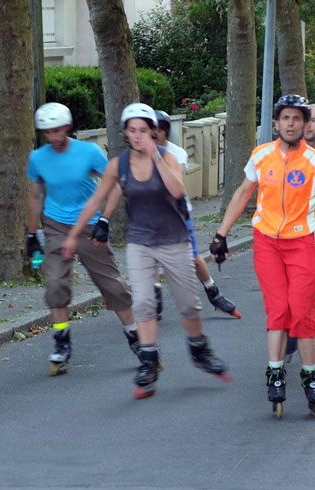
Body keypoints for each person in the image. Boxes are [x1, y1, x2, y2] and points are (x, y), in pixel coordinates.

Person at [62, 103, 231, 399]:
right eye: (133, 131)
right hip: (140, 243)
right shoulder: (119, 165)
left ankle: (199, 350)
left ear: (154, 132)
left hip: (174, 240)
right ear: (125, 133)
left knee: (189, 305)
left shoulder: (169, 157)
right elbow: (95, 201)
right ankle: (149, 362)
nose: (138, 136)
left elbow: (177, 190)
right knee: (142, 303)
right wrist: (74, 235)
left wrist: (156, 155)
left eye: (144, 130)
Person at [210, 94, 315, 420]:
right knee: (279, 309)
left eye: (297, 118)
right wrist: (221, 234)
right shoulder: (260, 157)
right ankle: (275, 371)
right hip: (267, 243)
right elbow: (244, 193)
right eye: (285, 118)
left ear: (306, 124)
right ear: (275, 123)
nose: (290, 123)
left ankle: (310, 376)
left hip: (301, 244)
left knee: (302, 312)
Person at [26, 102, 136, 376]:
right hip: (55, 227)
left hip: (88, 226)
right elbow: (35, 195)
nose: (52, 136)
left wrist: (104, 221)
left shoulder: (89, 152)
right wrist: (31, 234)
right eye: (47, 132)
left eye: (56, 130)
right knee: (55, 284)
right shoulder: (38, 158)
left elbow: (114, 184)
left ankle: (137, 338)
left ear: (67, 127)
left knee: (112, 285)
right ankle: (62, 343)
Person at [153, 110, 240, 318]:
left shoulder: (177, 153)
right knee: (149, 256)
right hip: (152, 215)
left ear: (164, 132)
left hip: (178, 214)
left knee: (193, 258)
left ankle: (213, 291)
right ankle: (154, 296)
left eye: (156, 130)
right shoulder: (141, 153)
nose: (151, 134)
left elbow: (173, 181)